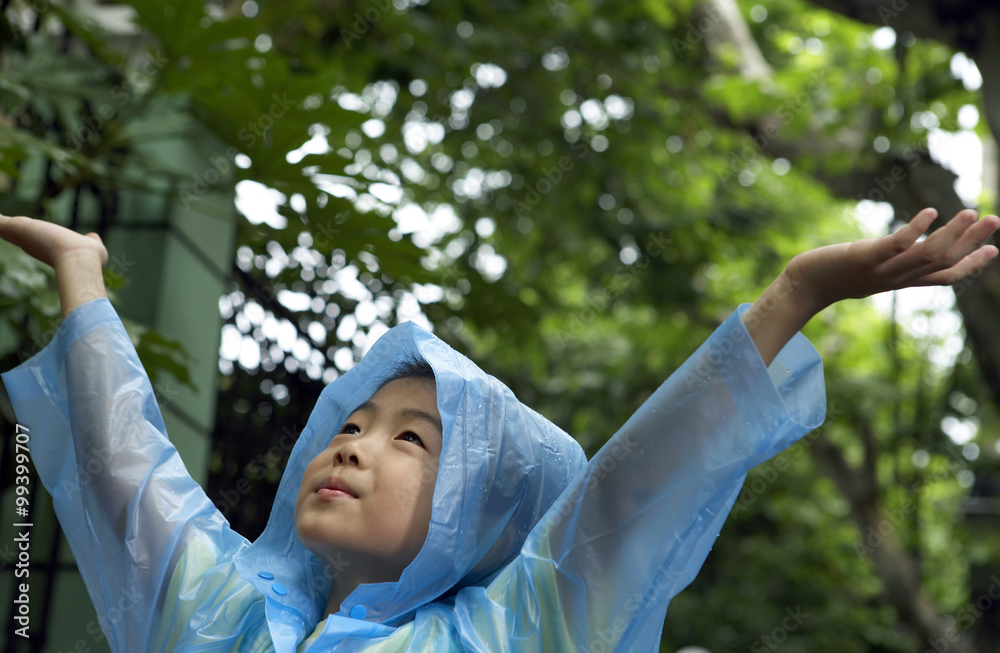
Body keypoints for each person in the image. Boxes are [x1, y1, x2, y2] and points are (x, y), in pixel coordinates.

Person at [1, 207, 997, 652]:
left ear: (476, 514)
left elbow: (628, 495)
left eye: (413, 439)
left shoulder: (511, 632)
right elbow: (127, 464)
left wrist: (792, 293)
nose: (352, 443)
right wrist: (82, 277)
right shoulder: (221, 613)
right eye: (352, 422)